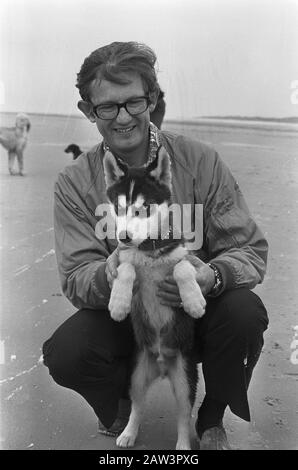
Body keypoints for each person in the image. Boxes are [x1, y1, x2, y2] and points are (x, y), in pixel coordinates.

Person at [42, 41, 268, 450]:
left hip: (195, 314)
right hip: (130, 318)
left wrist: (211, 275)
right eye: (107, 107)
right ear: (88, 111)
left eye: (134, 102)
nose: (123, 117)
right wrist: (110, 273)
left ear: (153, 100)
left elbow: (250, 251)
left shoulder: (200, 161)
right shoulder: (75, 183)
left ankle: (212, 415)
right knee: (66, 352)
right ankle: (119, 404)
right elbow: (76, 279)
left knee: (244, 312)